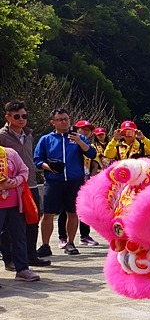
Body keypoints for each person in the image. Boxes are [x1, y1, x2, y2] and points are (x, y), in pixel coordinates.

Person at [34, 108, 97, 257]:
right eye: (60, 119)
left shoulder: (79, 138)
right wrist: (48, 167)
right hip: (53, 181)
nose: (64, 122)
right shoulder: (46, 139)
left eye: (66, 119)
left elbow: (91, 154)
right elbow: (37, 160)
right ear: (53, 122)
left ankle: (71, 243)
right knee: (48, 214)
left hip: (74, 181)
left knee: (73, 213)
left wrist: (79, 141)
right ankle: (45, 245)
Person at [0, 100, 50, 268]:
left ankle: (31, 255)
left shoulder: (28, 134)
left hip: (31, 184)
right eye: (17, 116)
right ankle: (9, 258)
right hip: (11, 188)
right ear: (8, 117)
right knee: (9, 226)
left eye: (24, 116)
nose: (21, 119)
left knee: (32, 219)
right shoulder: (2, 136)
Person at [0, 142, 39, 282]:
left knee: (19, 236)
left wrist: (16, 181)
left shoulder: (10, 153)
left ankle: (22, 269)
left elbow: (24, 170)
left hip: (15, 204)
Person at [61, 120, 101, 247]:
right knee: (65, 209)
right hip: (70, 179)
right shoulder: (69, 143)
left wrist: (92, 179)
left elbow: (95, 162)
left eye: (88, 130)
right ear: (76, 130)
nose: (86, 132)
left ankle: (84, 235)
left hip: (85, 179)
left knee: (84, 208)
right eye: (82, 129)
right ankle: (63, 237)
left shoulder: (90, 146)